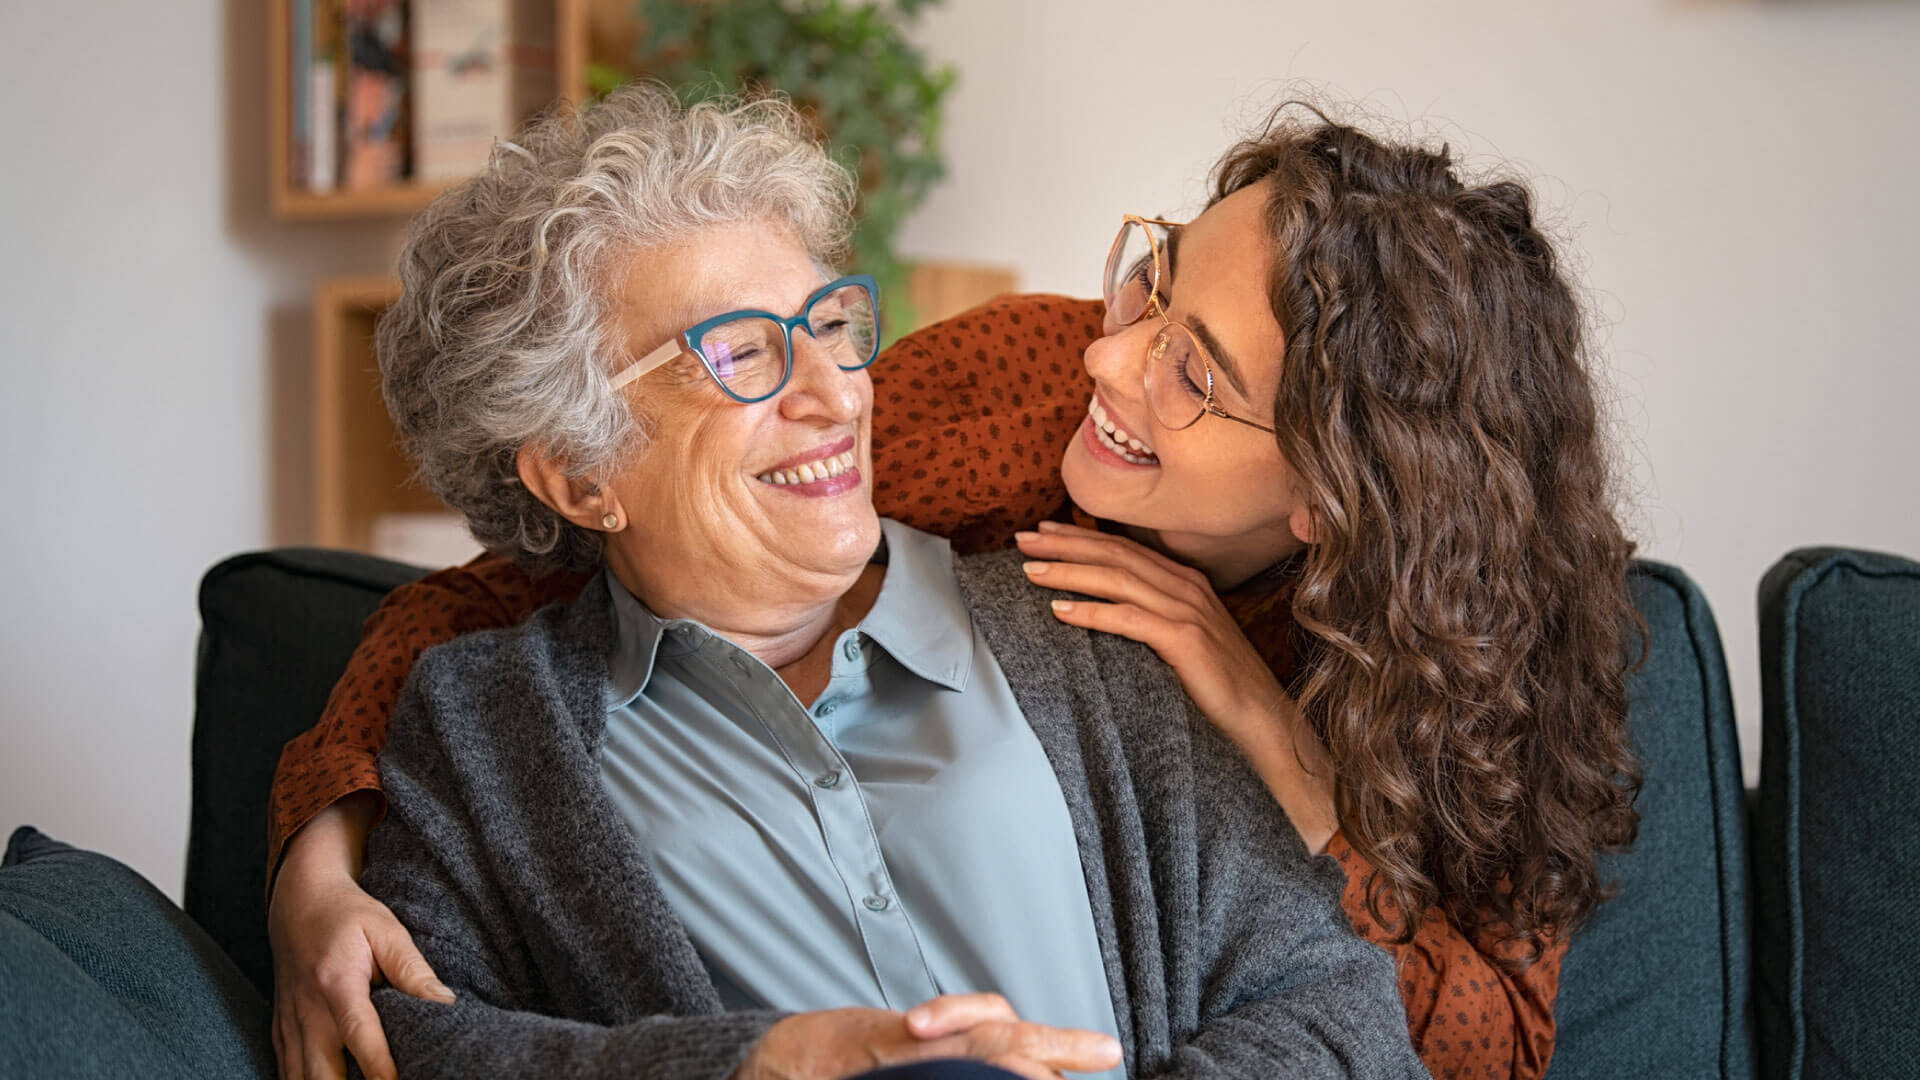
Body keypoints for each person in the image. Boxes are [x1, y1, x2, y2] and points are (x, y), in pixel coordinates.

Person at [268, 100, 1641, 1080]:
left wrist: (1257, 720)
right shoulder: (1030, 397)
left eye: (1196, 373)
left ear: (1328, 497)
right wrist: (314, 862)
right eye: (1149, 289)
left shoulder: (1156, 654)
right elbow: (484, 606)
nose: (1116, 365)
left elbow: (1423, 1032)